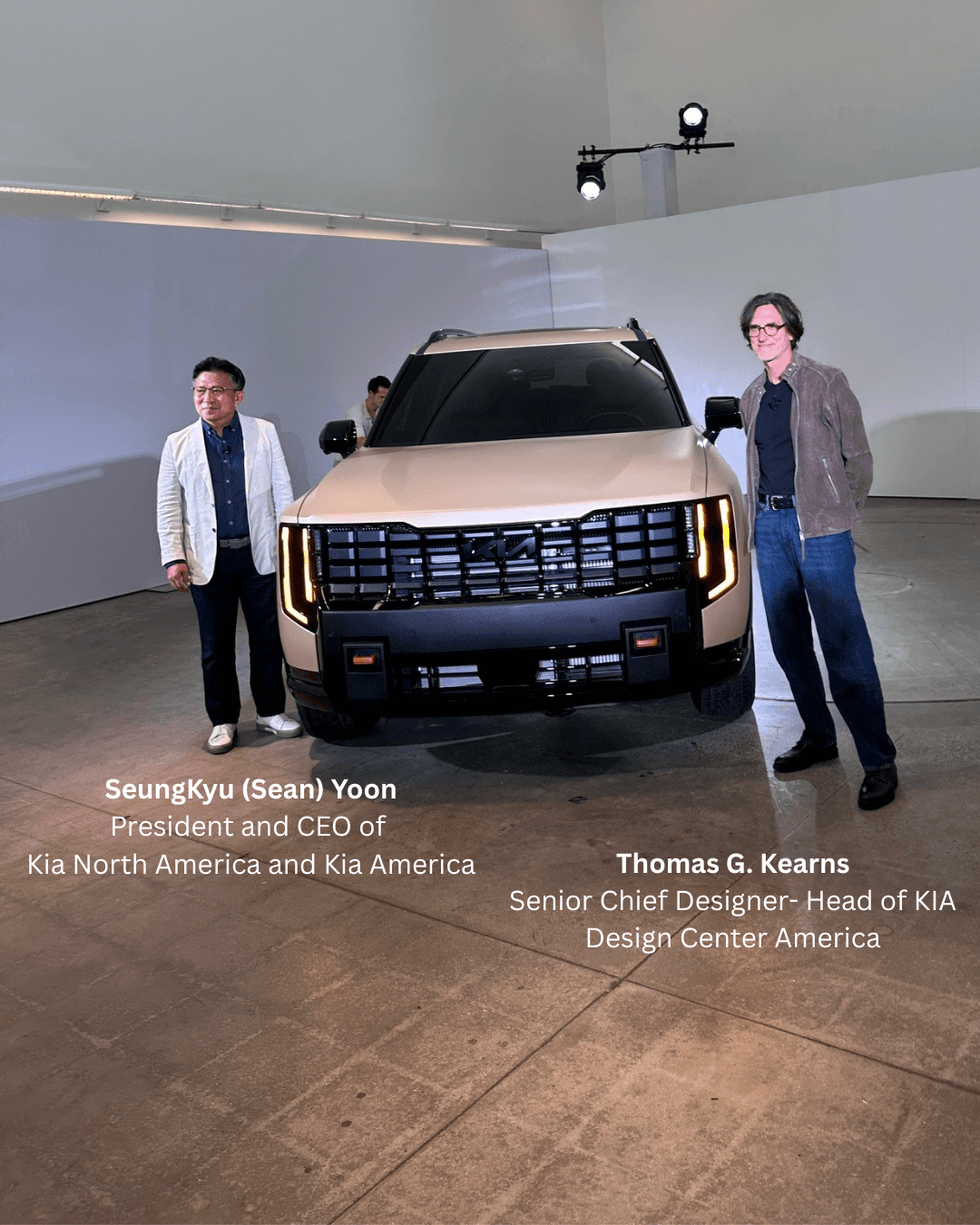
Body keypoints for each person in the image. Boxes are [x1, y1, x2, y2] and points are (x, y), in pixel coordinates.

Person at [738, 292, 898, 810]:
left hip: (821, 532)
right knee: (788, 644)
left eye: (769, 326)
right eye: (752, 329)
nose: (760, 335)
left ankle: (877, 760)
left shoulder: (826, 381)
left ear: (791, 330)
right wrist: (760, 522)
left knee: (845, 649)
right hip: (771, 525)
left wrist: (837, 513)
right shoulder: (752, 395)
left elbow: (859, 456)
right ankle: (819, 737)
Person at [157, 357, 301, 753]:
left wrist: (287, 549)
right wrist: (174, 556)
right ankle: (222, 719)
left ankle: (271, 712)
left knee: (267, 639)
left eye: (216, 390)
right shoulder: (178, 443)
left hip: (259, 556)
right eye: (200, 391)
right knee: (215, 647)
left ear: (237, 395)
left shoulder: (263, 433)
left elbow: (282, 492)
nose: (207, 399)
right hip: (208, 560)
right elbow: (169, 504)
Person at [345, 375, 390, 447]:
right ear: (371, 394)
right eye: (381, 397)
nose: (384, 401)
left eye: (386, 397)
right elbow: (359, 442)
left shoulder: (382, 412)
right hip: (350, 457)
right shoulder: (354, 413)